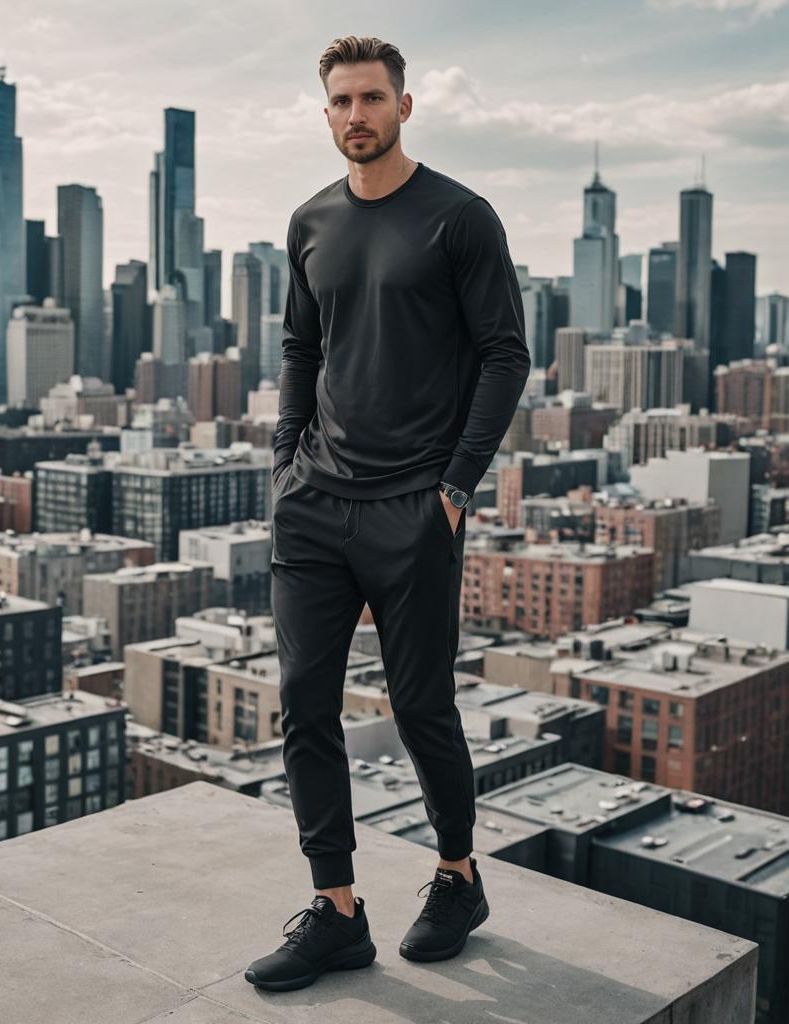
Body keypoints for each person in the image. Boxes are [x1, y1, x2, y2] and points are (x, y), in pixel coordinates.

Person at [244, 35, 531, 993]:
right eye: (340, 102)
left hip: (415, 507)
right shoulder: (311, 221)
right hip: (315, 507)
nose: (356, 115)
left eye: (371, 98)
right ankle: (335, 910)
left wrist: (452, 493)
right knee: (305, 710)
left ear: (405, 105)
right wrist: (286, 466)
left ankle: (458, 875)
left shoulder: (460, 219)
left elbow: (504, 357)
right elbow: (298, 348)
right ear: (325, 113)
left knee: (421, 708)